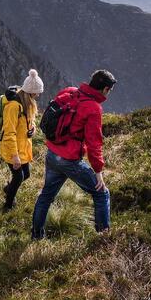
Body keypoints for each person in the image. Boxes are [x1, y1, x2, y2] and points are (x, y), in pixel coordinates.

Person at [31, 69, 116, 237]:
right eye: (109, 90)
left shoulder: (69, 92)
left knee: (46, 196)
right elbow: (94, 144)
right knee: (101, 193)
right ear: (105, 89)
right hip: (69, 160)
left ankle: (36, 235)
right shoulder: (93, 108)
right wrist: (98, 172)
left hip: (53, 152)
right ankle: (103, 238)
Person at [0, 69, 44, 211]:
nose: (38, 95)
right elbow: (9, 133)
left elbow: (31, 122)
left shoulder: (28, 103)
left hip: (22, 147)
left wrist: (33, 129)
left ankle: (9, 188)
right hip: (12, 149)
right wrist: (15, 156)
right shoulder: (13, 107)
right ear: (30, 91)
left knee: (27, 174)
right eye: (37, 92)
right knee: (18, 177)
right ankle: (8, 205)